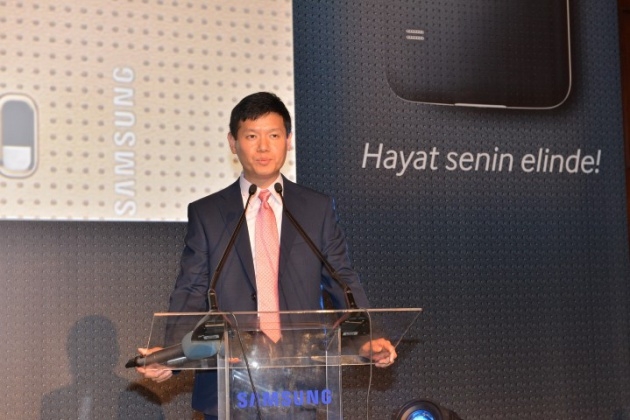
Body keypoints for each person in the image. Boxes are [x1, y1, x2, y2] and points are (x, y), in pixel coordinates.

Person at [136, 92, 396, 419]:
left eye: (273, 135)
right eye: (251, 136)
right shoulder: (208, 213)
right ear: (233, 143)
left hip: (299, 383)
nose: (263, 147)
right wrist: (171, 357)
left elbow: (342, 280)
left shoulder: (315, 209)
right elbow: (191, 289)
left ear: (288, 140)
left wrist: (367, 339)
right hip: (228, 383)